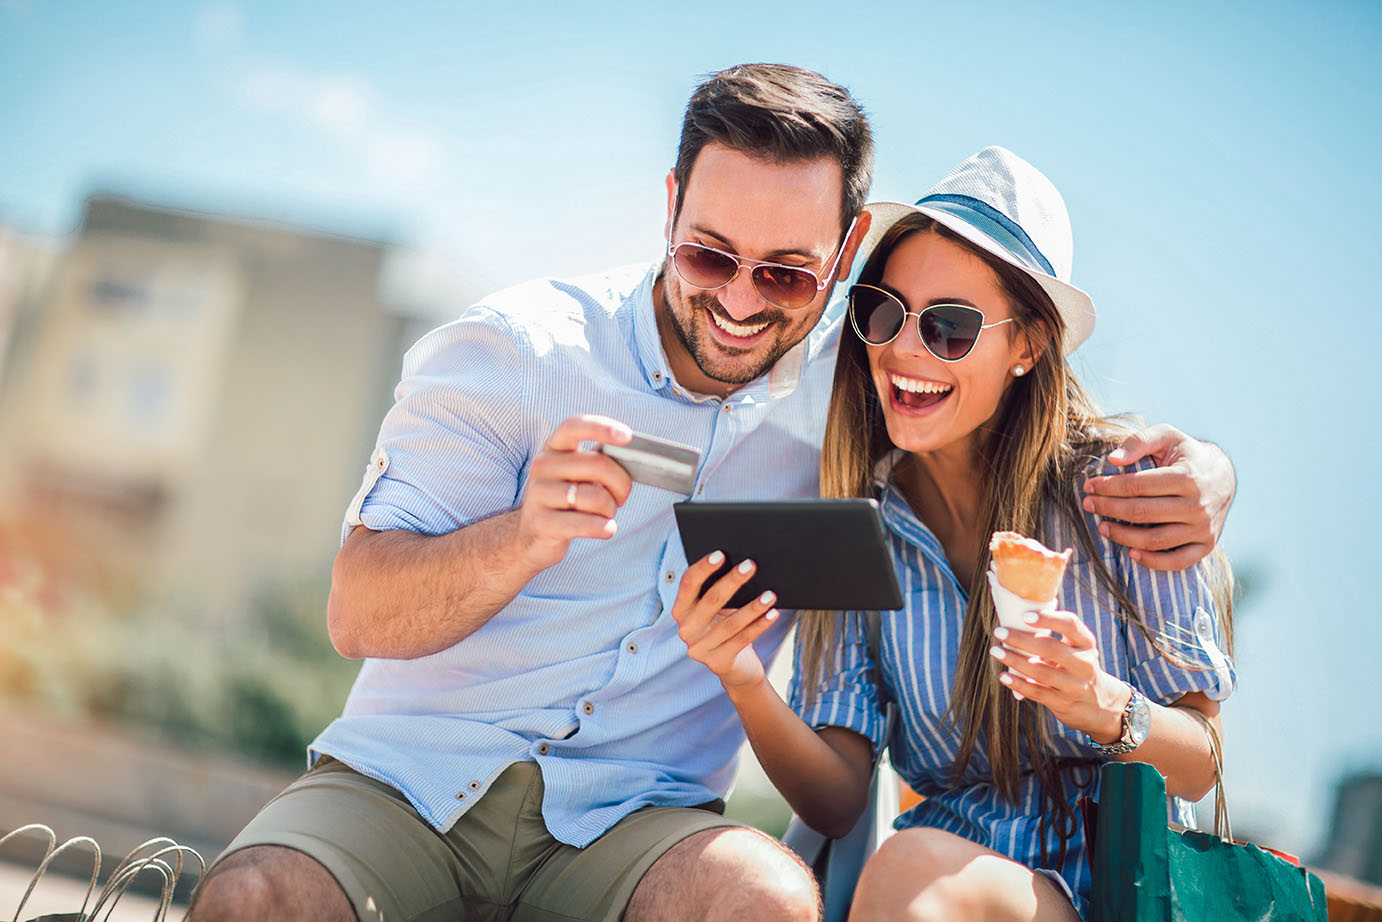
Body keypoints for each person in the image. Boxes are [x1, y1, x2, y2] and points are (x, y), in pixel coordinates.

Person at [189, 67, 1234, 922]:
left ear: (834, 262)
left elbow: (1017, 423)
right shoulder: (520, 353)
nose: (738, 298)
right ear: (669, 208)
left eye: (785, 273)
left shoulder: (860, 390)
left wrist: (1208, 477)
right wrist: (522, 535)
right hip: (413, 782)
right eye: (707, 253)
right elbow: (355, 611)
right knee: (255, 900)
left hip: (635, 825)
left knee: (771, 901)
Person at [670, 146, 1237, 922]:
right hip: (926, 883)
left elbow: (1202, 763)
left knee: (910, 871)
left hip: (1109, 893)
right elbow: (837, 799)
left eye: (949, 327)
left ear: (1029, 345)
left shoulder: (1126, 495)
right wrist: (739, 673)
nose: (904, 348)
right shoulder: (861, 524)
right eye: (883, 311)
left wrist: (1102, 702)